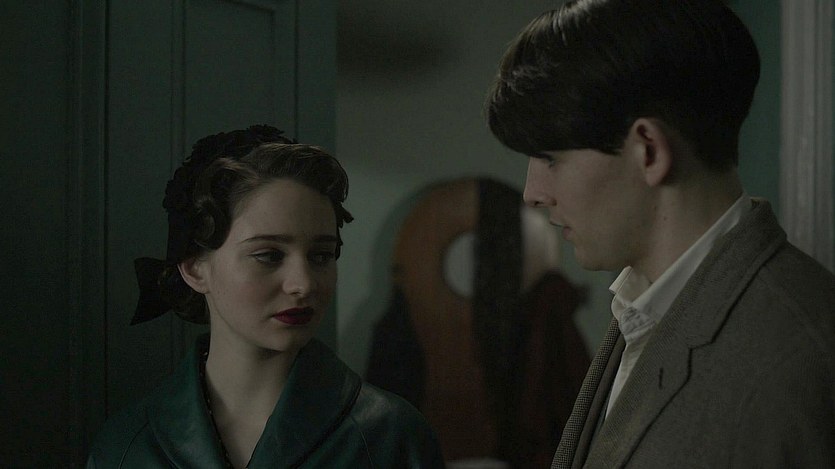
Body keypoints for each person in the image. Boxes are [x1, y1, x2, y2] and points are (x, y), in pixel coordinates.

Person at [485, 1, 835, 468]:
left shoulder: (797, 357)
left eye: (551, 158)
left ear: (648, 150)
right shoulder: (645, 308)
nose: (533, 193)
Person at [86, 125, 445, 468]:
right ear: (195, 268)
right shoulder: (126, 446)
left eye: (321, 255)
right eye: (269, 255)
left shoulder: (392, 437)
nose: (303, 284)